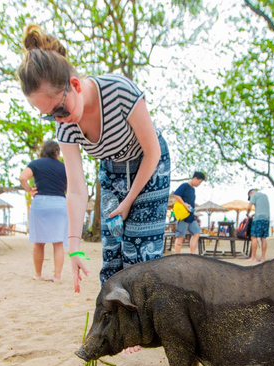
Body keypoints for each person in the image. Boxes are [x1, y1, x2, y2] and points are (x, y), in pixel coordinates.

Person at [18, 25, 171, 293]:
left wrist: (128, 201)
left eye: (60, 110)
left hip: (149, 166)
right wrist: (74, 248)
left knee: (138, 256)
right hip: (112, 171)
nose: (59, 120)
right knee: (112, 258)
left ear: (75, 85)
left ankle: (145, 317)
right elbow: (76, 190)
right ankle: (113, 319)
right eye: (49, 116)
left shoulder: (119, 91)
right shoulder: (66, 127)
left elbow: (153, 151)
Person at [19, 139, 68, 282]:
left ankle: (38, 275)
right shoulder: (64, 167)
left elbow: (22, 178)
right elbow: (68, 187)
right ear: (57, 152)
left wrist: (29, 190)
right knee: (58, 243)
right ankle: (57, 276)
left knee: (39, 242)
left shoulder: (36, 164)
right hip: (59, 203)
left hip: (41, 203)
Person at [171, 172, 205, 254]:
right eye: (199, 182)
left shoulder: (192, 189)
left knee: (196, 232)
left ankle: (192, 254)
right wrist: (184, 204)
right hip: (183, 215)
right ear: (195, 178)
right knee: (180, 237)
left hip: (191, 216)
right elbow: (176, 195)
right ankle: (177, 256)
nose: (199, 184)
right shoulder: (184, 186)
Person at [246, 188, 270, 262]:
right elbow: (262, 209)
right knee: (263, 238)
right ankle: (263, 258)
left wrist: (247, 214)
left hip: (258, 219)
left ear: (250, 194)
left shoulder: (253, 195)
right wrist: (254, 214)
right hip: (266, 218)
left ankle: (253, 258)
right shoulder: (265, 196)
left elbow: (249, 207)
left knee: (253, 237)